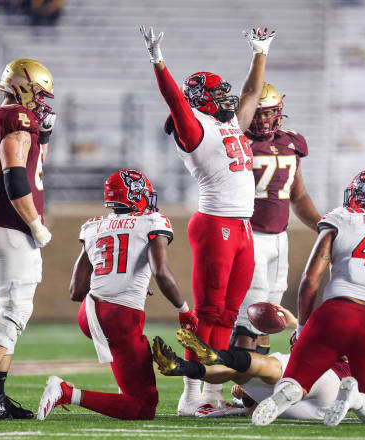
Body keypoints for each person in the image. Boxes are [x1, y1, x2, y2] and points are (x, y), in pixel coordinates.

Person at [140, 24, 275, 416]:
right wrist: (159, 62)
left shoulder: (227, 122)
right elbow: (174, 102)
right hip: (215, 223)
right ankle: (190, 393)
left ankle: (212, 393)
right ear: (200, 99)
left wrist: (259, 51)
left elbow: (251, 93)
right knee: (210, 311)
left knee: (230, 314)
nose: (225, 98)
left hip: (243, 226)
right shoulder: (194, 126)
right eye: (216, 94)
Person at [252, 169, 365, 426]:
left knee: (294, 380)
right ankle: (355, 400)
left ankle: (290, 391)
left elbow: (309, 280)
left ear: (363, 195)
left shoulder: (342, 218)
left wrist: (304, 327)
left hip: (333, 314)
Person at [36, 169, 197, 420]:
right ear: (134, 195)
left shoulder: (93, 225)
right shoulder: (152, 221)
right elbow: (162, 273)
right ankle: (66, 393)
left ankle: (122, 389)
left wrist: (122, 283)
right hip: (119, 318)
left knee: (134, 386)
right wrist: (185, 310)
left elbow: (76, 291)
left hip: (90, 313)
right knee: (142, 407)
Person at [0, 58, 55, 420]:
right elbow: (16, 179)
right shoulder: (16, 120)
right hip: (11, 225)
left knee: (13, 310)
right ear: (24, 88)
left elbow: (34, 165)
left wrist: (47, 137)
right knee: (15, 312)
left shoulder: (3, 118)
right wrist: (35, 223)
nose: (41, 101)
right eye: (38, 93)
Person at [231, 82, 320, 355]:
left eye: (268, 113)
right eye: (257, 113)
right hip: (249, 234)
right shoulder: (236, 141)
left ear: (279, 111)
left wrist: (323, 227)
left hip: (280, 238)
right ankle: (239, 386)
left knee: (270, 318)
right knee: (250, 317)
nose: (263, 119)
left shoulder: (291, 143)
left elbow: (299, 195)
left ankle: (251, 392)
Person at [153, 305, 352, 420]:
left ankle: (213, 356)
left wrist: (296, 323)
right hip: (317, 409)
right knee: (239, 373)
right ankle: (180, 366)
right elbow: (252, 409)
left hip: (325, 377)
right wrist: (247, 398)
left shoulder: (337, 331)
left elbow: (338, 347)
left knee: (264, 366)